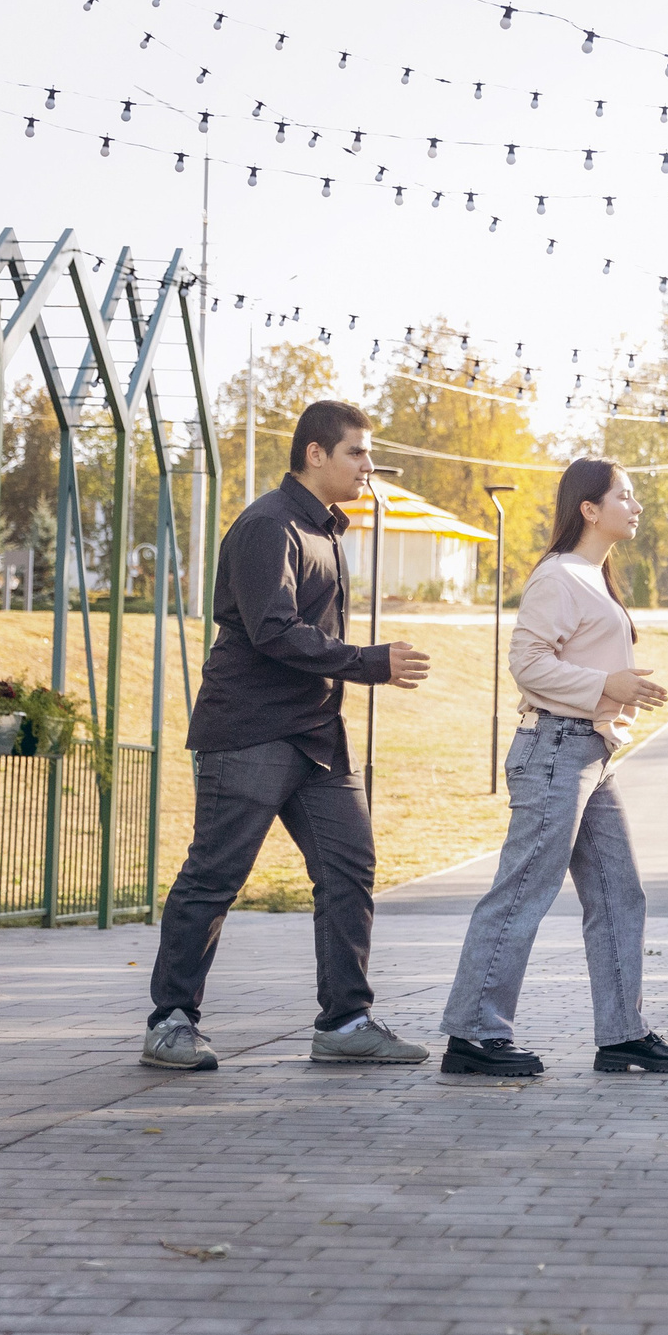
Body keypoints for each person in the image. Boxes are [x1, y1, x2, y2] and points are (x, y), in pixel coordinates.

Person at [140, 400, 434, 1071]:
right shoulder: (268, 526)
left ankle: (345, 1022)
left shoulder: (325, 530)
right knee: (215, 876)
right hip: (250, 731)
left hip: (315, 738)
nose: (368, 466)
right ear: (315, 454)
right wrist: (369, 663)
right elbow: (272, 631)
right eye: (357, 452)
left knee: (349, 867)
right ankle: (171, 1021)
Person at [437, 458, 668, 1078]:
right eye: (624, 496)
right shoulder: (560, 577)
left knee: (618, 894)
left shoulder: (593, 576)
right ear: (589, 508)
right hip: (555, 751)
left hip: (590, 753)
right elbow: (527, 665)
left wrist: (614, 693)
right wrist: (609, 682)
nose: (635, 507)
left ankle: (623, 1034)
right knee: (524, 889)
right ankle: (473, 1033)